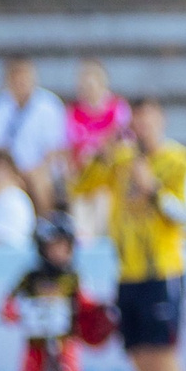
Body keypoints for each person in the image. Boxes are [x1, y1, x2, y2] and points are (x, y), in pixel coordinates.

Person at [86, 97, 186, 371]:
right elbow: (80, 185)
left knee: (162, 355)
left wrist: (153, 190)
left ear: (161, 121)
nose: (142, 127)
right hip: (128, 272)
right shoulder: (120, 161)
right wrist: (103, 149)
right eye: (136, 120)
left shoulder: (180, 161)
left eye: (148, 119)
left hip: (163, 271)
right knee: (139, 354)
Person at [1, 216, 92, 371]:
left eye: (63, 246)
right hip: (36, 343)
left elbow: (83, 300)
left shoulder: (73, 277)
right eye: (52, 247)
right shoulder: (31, 277)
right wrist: (10, 312)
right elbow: (9, 300)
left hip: (64, 341)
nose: (58, 252)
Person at [0, 55, 66, 208]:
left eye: (25, 76)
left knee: (39, 180)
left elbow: (54, 149)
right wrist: (14, 171)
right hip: (8, 169)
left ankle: (44, 223)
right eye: (16, 77)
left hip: (41, 169)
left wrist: (31, 170)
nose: (21, 82)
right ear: (8, 80)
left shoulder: (49, 106)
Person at [61, 59, 130, 243]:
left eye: (93, 84)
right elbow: (66, 149)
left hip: (108, 178)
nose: (88, 89)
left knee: (103, 204)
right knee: (81, 209)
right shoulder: (72, 112)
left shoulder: (118, 109)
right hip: (82, 178)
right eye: (84, 85)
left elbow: (124, 145)